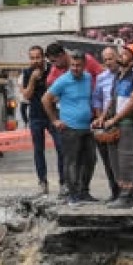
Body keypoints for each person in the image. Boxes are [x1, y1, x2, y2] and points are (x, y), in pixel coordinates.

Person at [43, 47, 97, 204]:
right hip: (69, 128)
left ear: (84, 65)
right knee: (71, 161)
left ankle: (84, 191)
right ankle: (73, 194)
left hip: (87, 127)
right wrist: (55, 120)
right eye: (73, 65)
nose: (75, 68)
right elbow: (45, 99)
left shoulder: (87, 78)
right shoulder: (63, 80)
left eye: (78, 65)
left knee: (90, 159)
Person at [102, 45, 133, 207]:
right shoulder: (118, 76)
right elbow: (113, 100)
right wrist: (103, 117)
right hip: (115, 122)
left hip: (127, 124)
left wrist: (115, 119)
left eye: (126, 54)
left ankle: (128, 195)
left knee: (126, 159)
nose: (121, 56)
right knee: (115, 160)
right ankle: (123, 193)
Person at [21, 45, 63, 195]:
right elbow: (26, 95)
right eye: (32, 58)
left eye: (38, 57)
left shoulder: (52, 70)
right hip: (36, 116)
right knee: (38, 150)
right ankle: (42, 182)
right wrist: (32, 79)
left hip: (52, 115)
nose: (35, 61)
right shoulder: (27, 73)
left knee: (61, 147)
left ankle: (63, 182)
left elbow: (59, 91)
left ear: (43, 57)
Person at [92, 46, 121, 199]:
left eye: (111, 58)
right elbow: (97, 98)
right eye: (105, 60)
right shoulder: (102, 78)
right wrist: (99, 118)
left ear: (117, 57)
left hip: (124, 121)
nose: (108, 62)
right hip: (106, 121)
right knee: (109, 160)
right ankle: (115, 191)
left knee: (126, 159)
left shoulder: (128, 75)